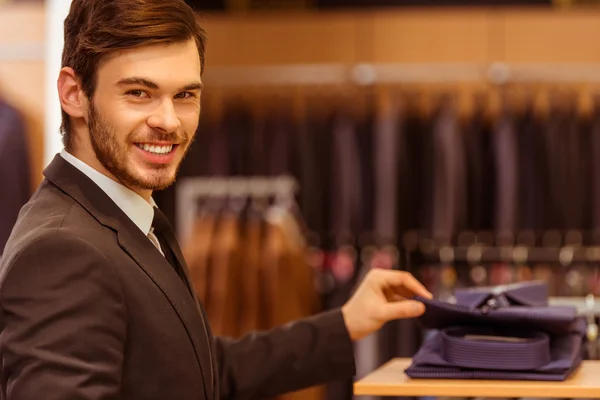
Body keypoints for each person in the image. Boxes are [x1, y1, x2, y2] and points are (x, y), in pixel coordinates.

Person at [0, 0, 433, 399]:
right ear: (74, 93)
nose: (169, 121)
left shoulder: (126, 219)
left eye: (185, 95)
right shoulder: (61, 251)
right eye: (138, 93)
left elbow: (200, 370)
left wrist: (345, 324)